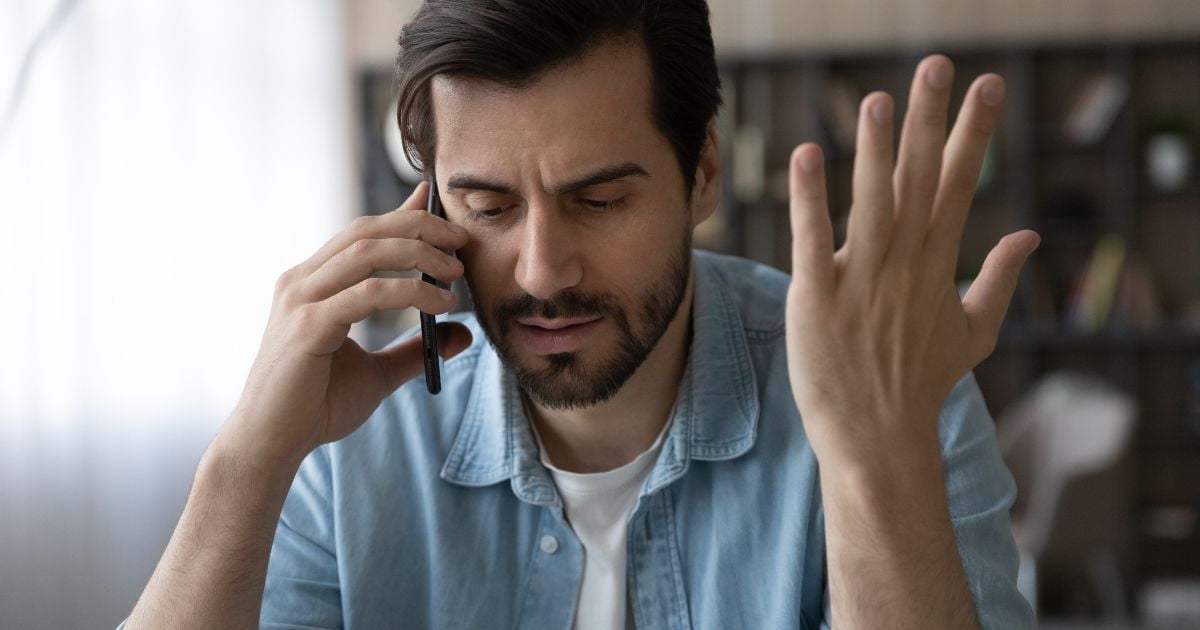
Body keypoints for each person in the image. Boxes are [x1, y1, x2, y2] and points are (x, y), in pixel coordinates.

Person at [122, 0, 1039, 628]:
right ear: (431, 204)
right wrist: (247, 461)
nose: (542, 269)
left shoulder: (887, 398)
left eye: (599, 200)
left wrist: (875, 463)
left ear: (704, 173)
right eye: (487, 206)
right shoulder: (350, 443)